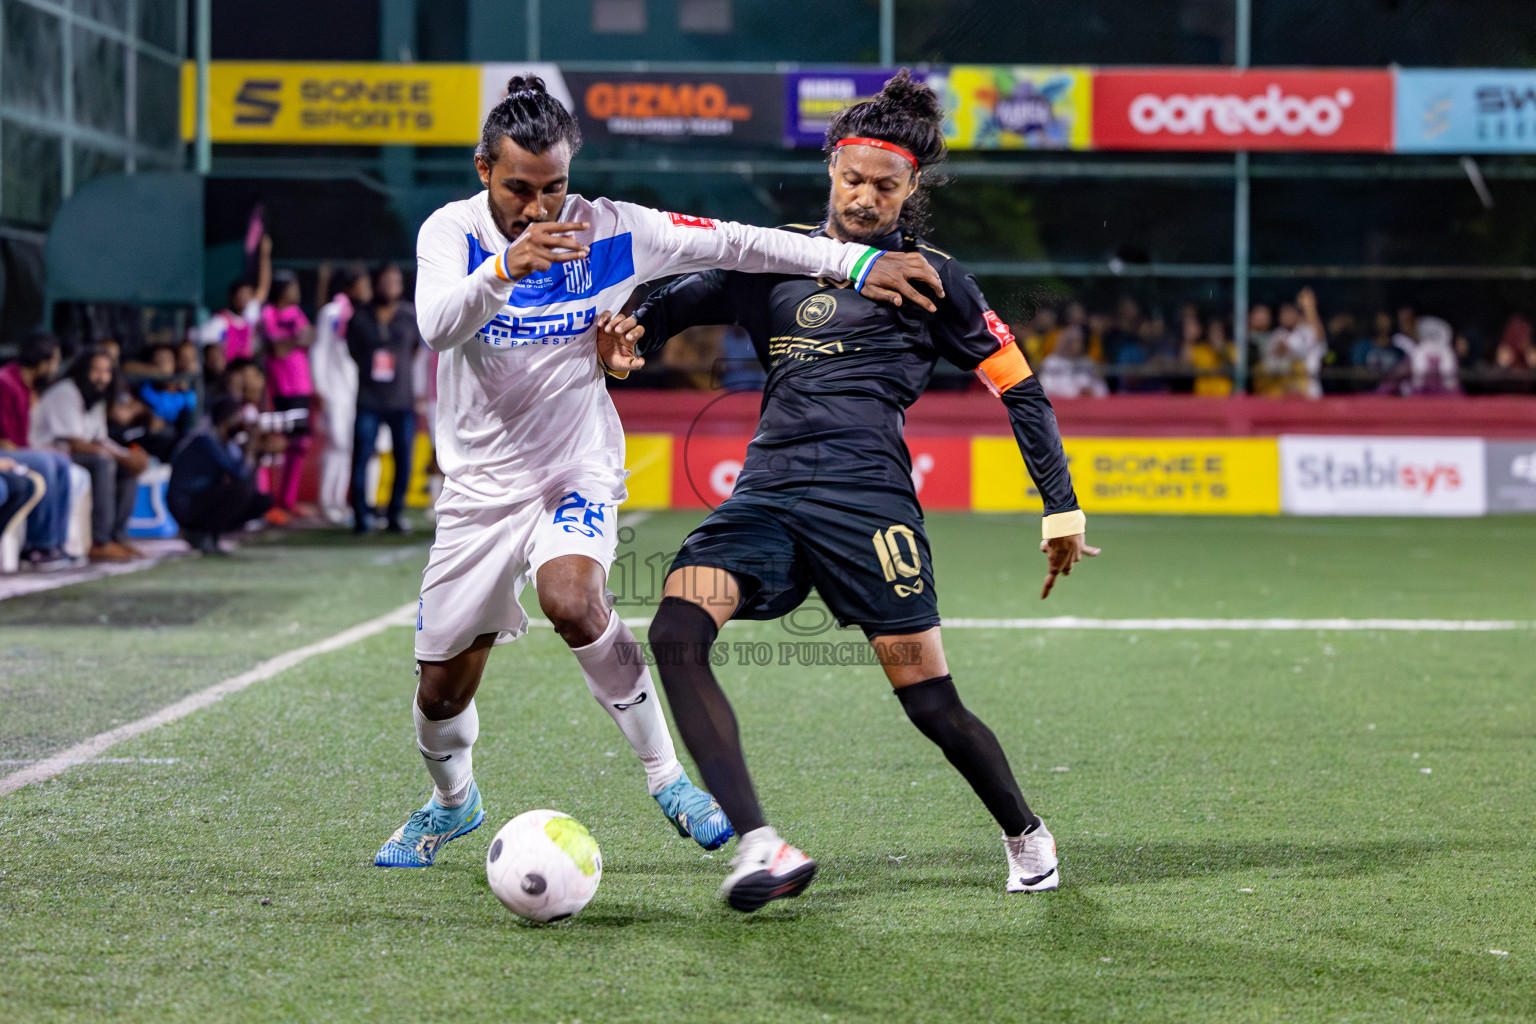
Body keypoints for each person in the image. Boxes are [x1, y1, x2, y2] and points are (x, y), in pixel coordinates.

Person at [373, 74, 945, 870]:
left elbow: (743, 242)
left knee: (572, 597)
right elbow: (438, 327)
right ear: (483, 171)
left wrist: (849, 266)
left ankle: (668, 778)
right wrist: (505, 265)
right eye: (518, 190)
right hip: (478, 492)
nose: (540, 209)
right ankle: (452, 802)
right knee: (440, 692)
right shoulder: (452, 232)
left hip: (576, 468)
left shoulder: (617, 229)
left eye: (556, 188)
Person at [608, 70, 1095, 912]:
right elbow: (666, 306)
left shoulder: (935, 278)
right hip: (765, 500)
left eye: (886, 185)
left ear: (911, 189)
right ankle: (760, 845)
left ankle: (1025, 832)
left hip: (867, 508)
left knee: (931, 702)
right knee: (677, 630)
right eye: (853, 178)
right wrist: (624, 335)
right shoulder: (770, 259)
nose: (865, 198)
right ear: (830, 168)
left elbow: (1019, 388)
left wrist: (1061, 506)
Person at [32, 347, 146, 562]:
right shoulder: (66, 392)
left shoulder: (96, 398)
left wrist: (128, 456)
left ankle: (118, 536)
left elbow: (100, 439)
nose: (102, 377)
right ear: (82, 371)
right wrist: (120, 456)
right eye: (96, 370)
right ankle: (99, 541)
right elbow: (75, 442)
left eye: (106, 371)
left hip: (75, 454)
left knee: (127, 468)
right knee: (104, 463)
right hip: (49, 453)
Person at [346, 264, 418, 533]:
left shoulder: (409, 315)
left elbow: (413, 351)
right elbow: (353, 351)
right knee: (363, 457)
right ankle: (361, 517)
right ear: (375, 284)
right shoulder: (360, 318)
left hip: (401, 399)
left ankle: (394, 514)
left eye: (395, 282)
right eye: (385, 282)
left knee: (403, 459)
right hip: (369, 399)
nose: (390, 287)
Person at [0, 333, 74, 568]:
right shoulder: (5, 381)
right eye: (54, 361)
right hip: (4, 449)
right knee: (44, 462)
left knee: (60, 460)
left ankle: (56, 544)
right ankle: (37, 546)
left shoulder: (26, 385)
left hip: (15, 449)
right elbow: (5, 440)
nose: (55, 367)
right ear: (42, 362)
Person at [167, 397, 274, 553]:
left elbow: (247, 478)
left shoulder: (225, 443)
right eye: (238, 420)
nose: (241, 426)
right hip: (186, 504)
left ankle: (212, 534)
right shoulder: (205, 440)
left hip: (202, 498)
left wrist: (257, 451)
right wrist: (250, 447)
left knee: (262, 501)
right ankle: (198, 533)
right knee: (238, 490)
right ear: (226, 420)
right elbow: (239, 474)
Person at [312, 266, 369, 525]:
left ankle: (340, 502)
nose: (366, 287)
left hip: (354, 389)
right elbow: (320, 349)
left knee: (348, 446)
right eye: (362, 282)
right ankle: (327, 502)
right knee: (336, 444)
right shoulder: (332, 312)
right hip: (334, 388)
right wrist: (320, 386)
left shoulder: (361, 313)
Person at [261, 270, 314, 517]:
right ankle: (266, 501)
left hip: (301, 386)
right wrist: (295, 339)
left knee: (299, 443)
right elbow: (277, 349)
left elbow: (309, 337)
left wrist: (291, 340)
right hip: (280, 387)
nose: (297, 292)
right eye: (293, 287)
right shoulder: (269, 313)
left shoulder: (296, 313)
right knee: (274, 444)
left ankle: (287, 500)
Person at [199, 235, 272, 361]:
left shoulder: (250, 316)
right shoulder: (220, 322)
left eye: (248, 295)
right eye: (241, 296)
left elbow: (263, 287)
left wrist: (265, 255)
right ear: (233, 299)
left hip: (247, 370)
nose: (245, 299)